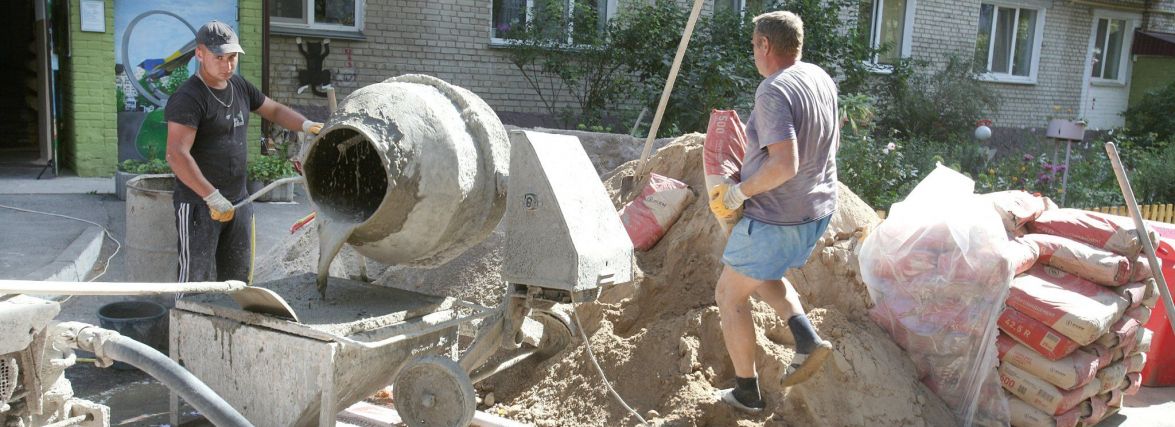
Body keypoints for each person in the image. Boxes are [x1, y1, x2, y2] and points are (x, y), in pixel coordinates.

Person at [708, 11, 840, 413]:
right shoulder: (820, 77)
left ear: (765, 44)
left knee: (728, 295)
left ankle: (746, 392)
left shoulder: (773, 91)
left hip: (779, 215)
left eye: (753, 45)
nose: (753, 52)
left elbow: (784, 164)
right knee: (760, 274)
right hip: (817, 209)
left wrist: (737, 194)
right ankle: (806, 339)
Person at [165, 21, 323, 283]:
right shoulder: (189, 98)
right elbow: (176, 154)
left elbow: (272, 110)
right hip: (199, 206)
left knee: (237, 282)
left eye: (232, 57)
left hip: (239, 202)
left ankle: (230, 324)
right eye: (219, 58)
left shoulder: (239, 87)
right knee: (195, 281)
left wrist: (305, 125)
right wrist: (211, 197)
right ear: (200, 53)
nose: (227, 66)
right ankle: (189, 324)